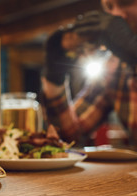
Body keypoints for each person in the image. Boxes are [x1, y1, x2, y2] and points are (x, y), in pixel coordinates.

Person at [41, 0, 137, 145]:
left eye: (125, 2)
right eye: (109, 6)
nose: (116, 14)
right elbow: (70, 134)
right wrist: (54, 76)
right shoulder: (114, 67)